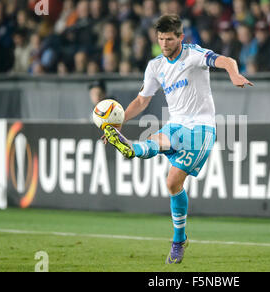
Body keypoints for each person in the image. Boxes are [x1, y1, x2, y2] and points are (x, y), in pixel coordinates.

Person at [101, 14, 253, 265]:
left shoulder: (194, 55)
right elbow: (141, 101)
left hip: (201, 128)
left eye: (169, 39)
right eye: (160, 39)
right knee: (158, 144)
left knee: (172, 182)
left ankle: (178, 240)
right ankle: (129, 147)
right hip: (176, 124)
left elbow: (226, 60)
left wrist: (234, 75)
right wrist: (117, 123)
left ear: (181, 37)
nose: (164, 43)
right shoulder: (155, 66)